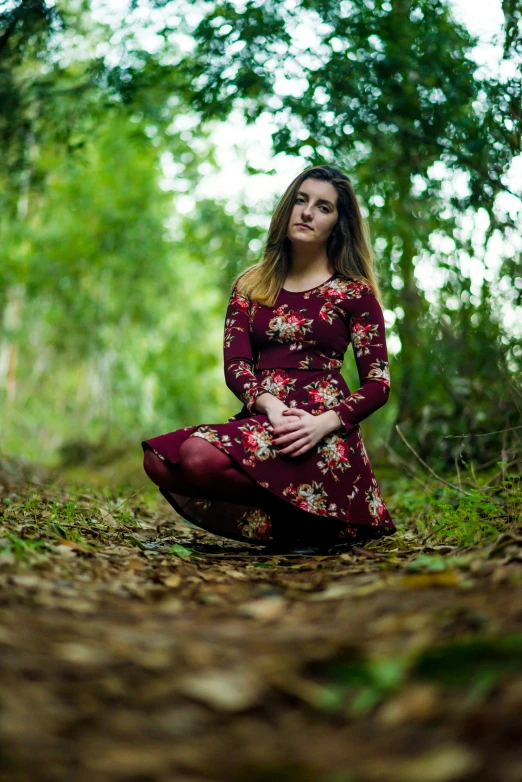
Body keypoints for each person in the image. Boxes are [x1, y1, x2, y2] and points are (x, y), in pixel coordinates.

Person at [142, 164, 396, 555]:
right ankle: (301, 520)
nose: (308, 212)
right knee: (162, 461)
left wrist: (324, 424)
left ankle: (318, 510)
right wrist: (270, 406)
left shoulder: (355, 294)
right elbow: (235, 366)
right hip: (266, 421)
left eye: (323, 207)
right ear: (287, 208)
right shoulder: (251, 285)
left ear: (338, 224)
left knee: (195, 455)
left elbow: (378, 383)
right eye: (301, 200)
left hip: (323, 433)